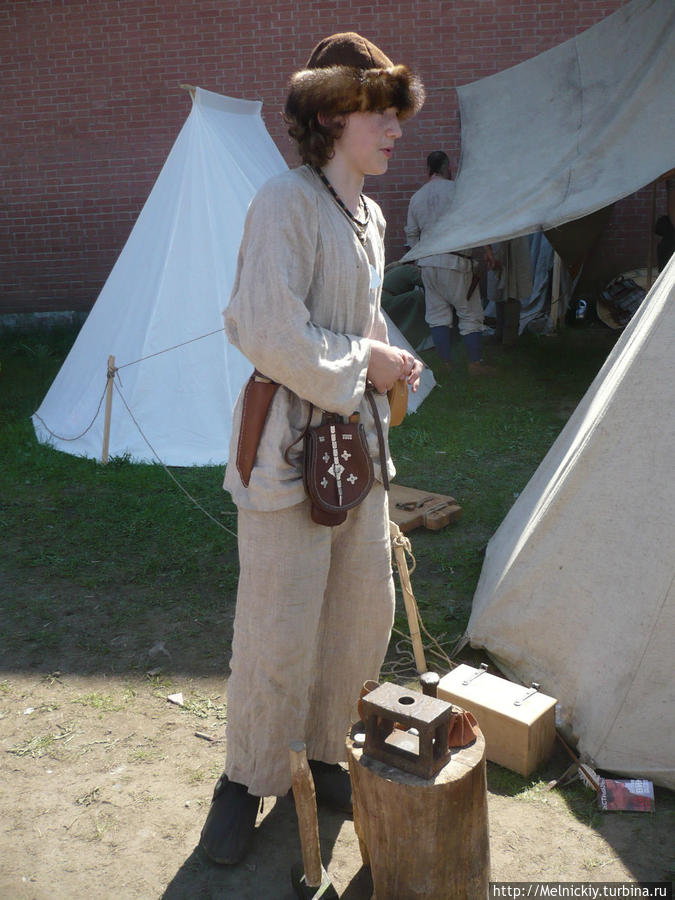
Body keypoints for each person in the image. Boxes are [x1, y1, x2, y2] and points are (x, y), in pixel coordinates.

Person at [199, 32, 425, 866]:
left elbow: (358, 320)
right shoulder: (283, 204)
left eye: (397, 114)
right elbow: (264, 328)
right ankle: (244, 781)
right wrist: (362, 360)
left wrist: (389, 354)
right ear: (332, 115)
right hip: (286, 456)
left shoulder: (369, 215)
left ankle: (328, 751)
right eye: (379, 113)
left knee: (360, 615)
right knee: (277, 626)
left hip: (355, 456)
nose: (395, 128)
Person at [405, 151, 493, 374]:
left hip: (428, 264)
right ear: (447, 167)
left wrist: (419, 261)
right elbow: (474, 224)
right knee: (470, 312)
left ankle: (445, 365)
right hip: (455, 263)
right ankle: (474, 364)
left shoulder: (417, 197)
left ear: (428, 170)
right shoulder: (457, 191)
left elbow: (412, 236)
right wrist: (488, 251)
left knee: (437, 316)